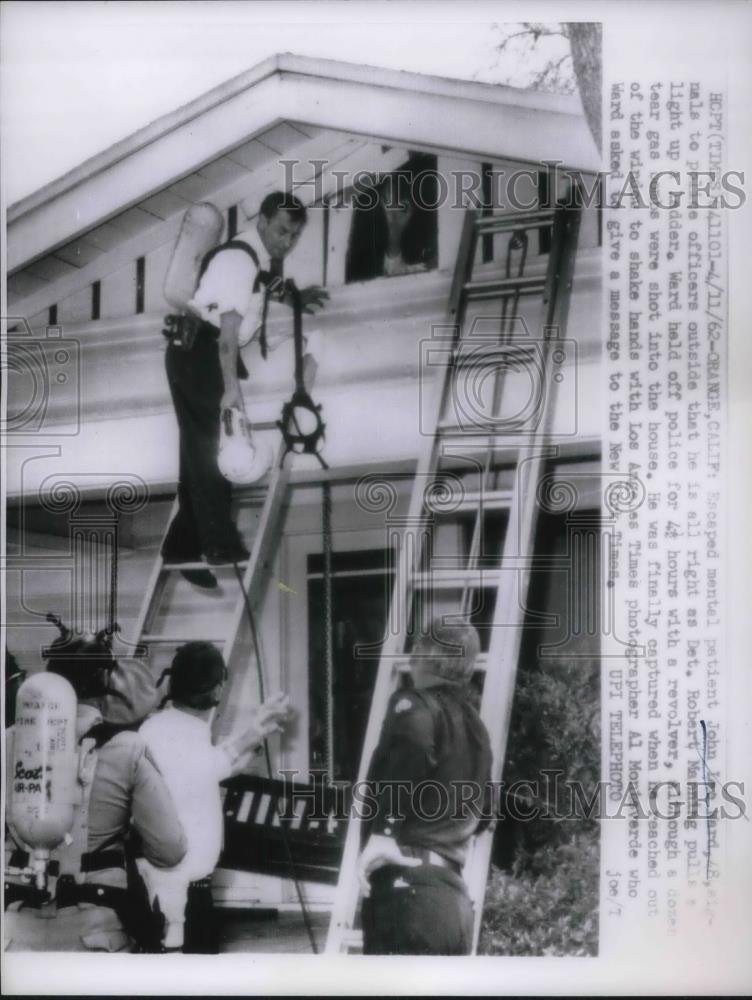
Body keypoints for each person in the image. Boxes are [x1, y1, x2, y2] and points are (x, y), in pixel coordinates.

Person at [162, 190, 328, 588]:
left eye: (294, 236)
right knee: (213, 447)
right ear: (263, 222)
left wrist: (294, 296)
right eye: (282, 231)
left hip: (188, 354)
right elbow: (229, 335)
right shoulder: (239, 260)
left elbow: (266, 284)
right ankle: (219, 544)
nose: (286, 242)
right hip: (204, 353)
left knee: (196, 449)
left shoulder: (250, 259)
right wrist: (231, 390)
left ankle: (183, 545)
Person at [4, 622, 187, 952]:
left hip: (12, 944)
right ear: (107, 683)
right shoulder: (127, 750)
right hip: (97, 940)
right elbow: (170, 849)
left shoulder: (8, 744)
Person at [137, 641, 292, 953]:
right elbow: (207, 768)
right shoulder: (168, 731)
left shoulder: (165, 728)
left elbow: (208, 767)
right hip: (172, 894)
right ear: (217, 688)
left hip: (187, 889)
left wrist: (252, 741)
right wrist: (253, 732)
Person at [357, 620, 492, 955]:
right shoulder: (477, 728)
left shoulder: (414, 703)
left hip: (409, 892)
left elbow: (415, 744)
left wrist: (385, 831)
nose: (412, 658)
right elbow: (486, 810)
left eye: (416, 651)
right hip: (451, 901)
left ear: (422, 655)